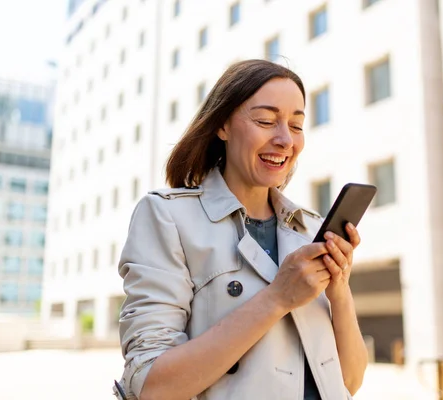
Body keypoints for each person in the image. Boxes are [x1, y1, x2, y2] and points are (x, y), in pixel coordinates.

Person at [114, 59, 368, 400]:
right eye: (265, 121)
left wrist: (339, 291)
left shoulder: (309, 229)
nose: (284, 140)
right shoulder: (167, 216)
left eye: (296, 125)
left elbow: (349, 381)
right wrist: (277, 298)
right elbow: (152, 386)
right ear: (223, 126)